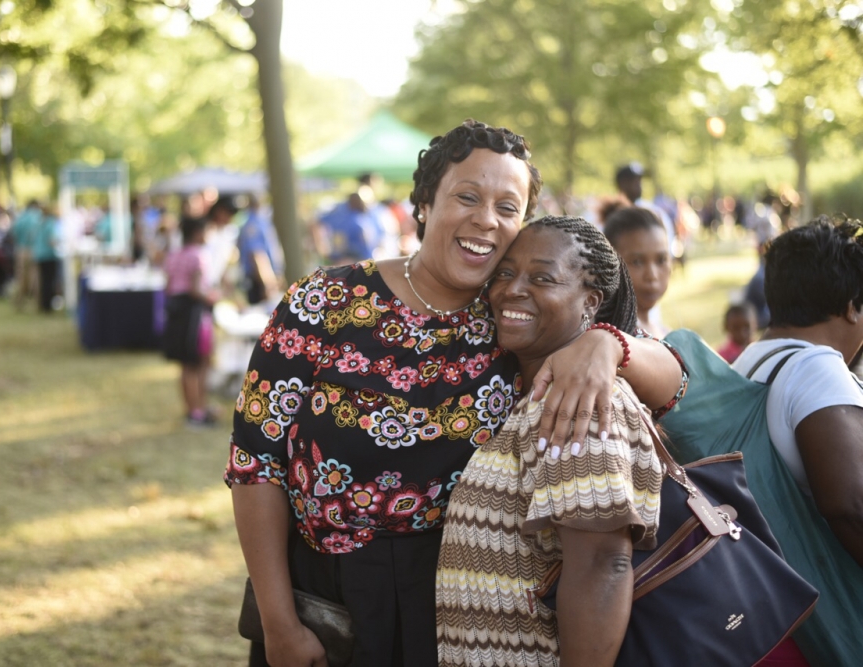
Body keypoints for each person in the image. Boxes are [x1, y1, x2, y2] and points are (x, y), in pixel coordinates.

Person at [225, 120, 686, 667]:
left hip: (456, 611)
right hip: (320, 600)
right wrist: (279, 622)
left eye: (507, 207)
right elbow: (255, 462)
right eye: (467, 196)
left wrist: (609, 344)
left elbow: (676, 381)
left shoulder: (515, 319)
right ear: (424, 203)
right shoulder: (323, 302)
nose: (485, 219)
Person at [437, 216, 682, 667]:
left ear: (590, 303)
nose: (511, 289)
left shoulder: (575, 404)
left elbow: (602, 566)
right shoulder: (535, 395)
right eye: (505, 273)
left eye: (542, 278)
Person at [731, 217, 863, 547]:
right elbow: (850, 505)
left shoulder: (749, 359)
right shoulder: (816, 366)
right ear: (851, 309)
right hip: (822, 589)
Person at [162, 216, 220, 428]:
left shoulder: (174, 255)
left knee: (186, 365)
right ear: (197, 232)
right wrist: (213, 297)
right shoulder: (199, 256)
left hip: (177, 313)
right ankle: (198, 409)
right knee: (199, 363)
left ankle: (193, 408)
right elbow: (196, 289)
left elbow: (168, 286)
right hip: (194, 315)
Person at [603, 206, 672, 336]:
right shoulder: (612, 340)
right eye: (637, 262)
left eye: (661, 260)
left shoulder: (665, 333)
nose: (652, 275)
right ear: (609, 265)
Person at [236, 195, 285, 306]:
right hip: (260, 281)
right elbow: (257, 255)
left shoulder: (260, 221)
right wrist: (267, 283)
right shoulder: (254, 224)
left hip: (265, 279)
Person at [11, 200, 41, 311]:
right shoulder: (38, 217)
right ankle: (38, 303)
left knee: (21, 278)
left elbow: (14, 233)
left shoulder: (21, 218)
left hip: (21, 250)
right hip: (35, 250)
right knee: (36, 278)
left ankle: (19, 303)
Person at [33, 206, 61, 313]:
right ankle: (48, 305)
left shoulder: (39, 223)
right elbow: (52, 240)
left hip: (39, 255)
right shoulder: (50, 224)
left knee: (43, 281)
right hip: (49, 255)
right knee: (49, 281)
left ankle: (43, 304)